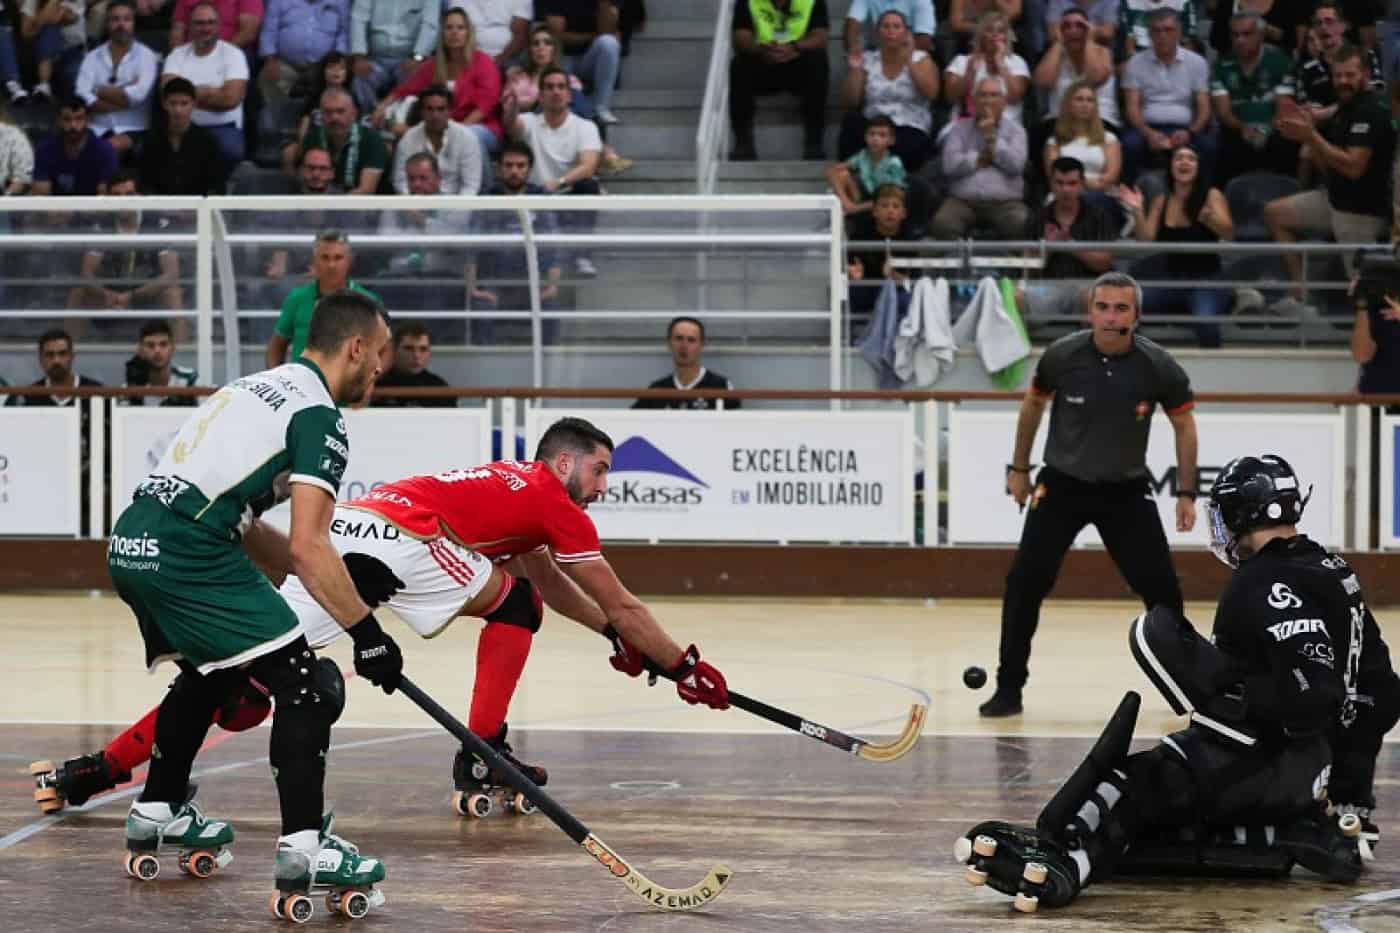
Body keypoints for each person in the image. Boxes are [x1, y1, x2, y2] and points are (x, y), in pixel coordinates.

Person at [32, 417, 731, 820]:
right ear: (567, 461)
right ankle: (483, 753)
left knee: (237, 673)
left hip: (355, 529)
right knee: (515, 603)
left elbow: (549, 578)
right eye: (601, 470)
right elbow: (618, 599)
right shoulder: (554, 497)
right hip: (411, 539)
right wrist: (682, 665)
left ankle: (99, 768)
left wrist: (617, 638)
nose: (603, 486)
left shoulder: (514, 483)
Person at [959, 453, 1398, 908]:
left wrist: (1231, 700)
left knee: (1141, 779)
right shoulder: (1334, 569)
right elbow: (1383, 692)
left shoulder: (1260, 582)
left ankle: (1067, 861)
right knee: (1178, 809)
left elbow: (1312, 696)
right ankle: (1288, 831)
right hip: (1310, 775)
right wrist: (1351, 798)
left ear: (1242, 513)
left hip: (1271, 762)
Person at [103, 289, 395, 909]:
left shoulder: (251, 387)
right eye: (382, 353)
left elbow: (257, 533)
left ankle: (157, 811)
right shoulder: (319, 415)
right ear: (357, 346)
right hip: (189, 550)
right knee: (310, 684)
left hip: (134, 538)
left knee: (215, 672)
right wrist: (368, 634)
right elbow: (310, 550)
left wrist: (308, 596)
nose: (381, 369)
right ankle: (304, 851)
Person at [980, 270, 1196, 717]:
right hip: (1060, 485)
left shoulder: (1158, 366)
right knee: (1024, 583)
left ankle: (1194, 690)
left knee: (1162, 592)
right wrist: (1018, 469)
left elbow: (1184, 423)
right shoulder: (1062, 356)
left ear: (1136, 315)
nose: (1111, 316)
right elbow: (1032, 406)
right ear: (1090, 311)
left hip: (1126, 490)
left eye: (1121, 308)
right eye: (1103, 307)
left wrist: (1187, 493)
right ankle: (1009, 688)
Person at [1268, 43, 1394, 296]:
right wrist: (1302, 126)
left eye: (1350, 75)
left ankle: (1369, 331)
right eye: (1338, 75)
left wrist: (1310, 136)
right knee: (1275, 213)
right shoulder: (1343, 105)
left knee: (1364, 292)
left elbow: (1354, 168)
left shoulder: (1371, 110)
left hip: (1361, 212)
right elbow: (1330, 151)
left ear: (1367, 76)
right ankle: (1301, 294)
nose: (1343, 81)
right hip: (1334, 198)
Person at [1120, 144, 1234, 348]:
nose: (1184, 162)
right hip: (1169, 279)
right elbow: (1146, 239)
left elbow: (1229, 233)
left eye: (1191, 158)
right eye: (1178, 158)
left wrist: (1210, 219)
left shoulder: (1211, 195)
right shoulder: (1161, 200)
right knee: (1126, 307)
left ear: (1198, 166)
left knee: (1206, 324)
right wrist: (1137, 211)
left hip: (1205, 280)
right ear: (1171, 166)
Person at [370, 6, 501, 179]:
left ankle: (485, 192)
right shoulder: (434, 64)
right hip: (440, 127)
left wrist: (454, 133)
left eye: (460, 28)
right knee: (406, 136)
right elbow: (404, 90)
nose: (454, 33)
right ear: (442, 33)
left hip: (480, 127)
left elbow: (486, 106)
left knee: (470, 137)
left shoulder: (483, 62)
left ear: (468, 33)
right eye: (449, 28)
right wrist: (382, 106)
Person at [501, 65, 603, 277]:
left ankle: (581, 256)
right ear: (541, 95)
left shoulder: (585, 126)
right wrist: (512, 106)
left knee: (589, 185)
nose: (555, 92)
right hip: (534, 194)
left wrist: (559, 182)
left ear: (569, 94)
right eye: (549, 87)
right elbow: (511, 126)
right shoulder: (529, 121)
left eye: (560, 87)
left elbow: (589, 165)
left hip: (567, 191)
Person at [468, 140, 564, 345]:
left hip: (533, 282)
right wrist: (473, 287)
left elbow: (554, 245)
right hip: (494, 279)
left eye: (520, 166)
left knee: (552, 309)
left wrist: (552, 285)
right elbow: (471, 246)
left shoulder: (542, 198)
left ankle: (550, 367)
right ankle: (486, 364)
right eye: (509, 166)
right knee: (481, 309)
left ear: (529, 169)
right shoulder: (486, 198)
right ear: (499, 168)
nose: (514, 171)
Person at [66, 171, 181, 334]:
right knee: (78, 293)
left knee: (172, 294)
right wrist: (105, 293)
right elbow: (87, 273)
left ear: (139, 196)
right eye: (117, 195)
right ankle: (65, 354)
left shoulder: (157, 223)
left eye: (129, 194)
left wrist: (134, 296)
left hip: (147, 294)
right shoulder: (101, 225)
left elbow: (171, 274)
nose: (123, 200)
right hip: (109, 295)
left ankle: (184, 357)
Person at [1119, 8, 1213, 184]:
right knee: (1129, 145)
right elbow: (1132, 107)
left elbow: (1205, 109)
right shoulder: (1135, 63)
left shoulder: (1197, 62)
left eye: (1168, 30)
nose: (1162, 35)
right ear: (1149, 34)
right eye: (1156, 30)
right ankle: (1128, 199)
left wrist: (1190, 132)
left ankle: (1204, 198)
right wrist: (1148, 133)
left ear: (1179, 32)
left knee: (1208, 147)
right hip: (1147, 128)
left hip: (1185, 128)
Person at [729, 0, 832, 161]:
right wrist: (762, 49)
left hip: (797, 62)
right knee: (739, 65)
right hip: (764, 60)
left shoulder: (813, 2)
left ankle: (814, 143)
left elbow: (820, 38)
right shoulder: (747, 2)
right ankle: (743, 144)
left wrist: (795, 47)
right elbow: (740, 38)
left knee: (818, 61)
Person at [929, 77, 1030, 241]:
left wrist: (992, 139)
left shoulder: (1017, 131)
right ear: (974, 101)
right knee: (942, 223)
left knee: (1021, 223)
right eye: (982, 95)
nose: (988, 101)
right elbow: (949, 166)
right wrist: (978, 158)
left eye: (994, 95)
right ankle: (957, 264)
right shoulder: (958, 129)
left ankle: (1009, 266)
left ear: (1004, 102)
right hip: (962, 200)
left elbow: (1016, 165)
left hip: (1006, 202)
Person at [1019, 156, 1118, 320]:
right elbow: (1028, 267)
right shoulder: (1037, 217)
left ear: (1082, 184)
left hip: (1087, 285)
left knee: (1091, 298)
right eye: (1059, 183)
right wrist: (1050, 247)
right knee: (1018, 299)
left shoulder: (1099, 216)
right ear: (1051, 184)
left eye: (1071, 183)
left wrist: (1070, 245)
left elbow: (1105, 262)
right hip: (1047, 287)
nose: (1065, 189)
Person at [838, 9, 935, 169]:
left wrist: (909, 61)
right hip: (874, 126)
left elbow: (931, 93)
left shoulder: (920, 59)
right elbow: (851, 101)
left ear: (906, 33)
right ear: (878, 33)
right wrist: (855, 70)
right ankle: (850, 176)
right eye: (886, 26)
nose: (891, 31)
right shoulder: (868, 59)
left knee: (911, 141)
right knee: (851, 123)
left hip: (909, 124)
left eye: (896, 27)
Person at [266, 230, 381, 366]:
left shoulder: (368, 300)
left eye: (338, 258)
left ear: (349, 261)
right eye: (325, 258)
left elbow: (386, 350)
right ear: (314, 261)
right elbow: (276, 346)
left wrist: (367, 380)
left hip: (348, 385)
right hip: (304, 383)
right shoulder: (297, 298)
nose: (331, 265)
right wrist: (280, 383)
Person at [1210, 11, 1298, 184]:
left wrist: (1266, 129)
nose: (1240, 40)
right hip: (1236, 128)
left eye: (1247, 34)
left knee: (1285, 143)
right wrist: (1244, 128)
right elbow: (1223, 113)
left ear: (1261, 35)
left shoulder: (1280, 61)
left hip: (1274, 128)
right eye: (1235, 35)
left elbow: (1283, 107)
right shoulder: (1222, 65)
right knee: (1224, 146)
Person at [160, 1, 250, 166]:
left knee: (228, 150)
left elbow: (231, 99)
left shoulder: (233, 54)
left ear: (218, 25)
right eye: (199, 23)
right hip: (182, 127)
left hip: (223, 128)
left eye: (211, 22)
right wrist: (211, 92)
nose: (206, 28)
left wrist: (187, 96)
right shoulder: (177, 55)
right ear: (190, 26)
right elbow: (168, 93)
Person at [1278, 3, 1384, 134]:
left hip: (1363, 126)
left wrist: (1328, 111)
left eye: (1329, 21)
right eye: (1318, 23)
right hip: (1324, 132)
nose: (1323, 27)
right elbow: (1311, 113)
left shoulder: (1364, 55)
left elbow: (1376, 93)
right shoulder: (1306, 67)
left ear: (1343, 26)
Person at [75, 0, 160, 158]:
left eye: (126, 19)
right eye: (115, 19)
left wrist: (98, 90)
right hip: (96, 126)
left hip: (133, 127)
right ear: (107, 24)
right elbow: (82, 95)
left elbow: (139, 95)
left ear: (134, 23)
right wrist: (125, 93)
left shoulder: (147, 56)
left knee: (106, 149)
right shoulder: (92, 57)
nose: (121, 25)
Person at [1033, 5, 1120, 160]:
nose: (1073, 30)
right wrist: (1058, 43)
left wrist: (1088, 41)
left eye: (1080, 26)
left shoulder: (1103, 52)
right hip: (1059, 120)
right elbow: (1043, 81)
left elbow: (1095, 79)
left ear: (1089, 29)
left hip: (1100, 120)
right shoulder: (1054, 54)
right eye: (1066, 26)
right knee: (1041, 136)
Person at [138, 77, 227, 196]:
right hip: (160, 209)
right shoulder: (151, 140)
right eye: (173, 103)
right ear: (164, 104)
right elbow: (145, 182)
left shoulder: (207, 141)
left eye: (184, 103)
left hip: (198, 209)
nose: (178, 110)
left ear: (194, 104)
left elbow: (216, 185)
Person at [347, 0, 439, 115]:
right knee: (360, 79)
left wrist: (417, 57)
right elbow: (358, 20)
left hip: (409, 59)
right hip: (375, 58)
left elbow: (430, 26)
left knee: (416, 77)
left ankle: (399, 120)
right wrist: (360, 56)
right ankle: (370, 118)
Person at [845, 182, 923, 315]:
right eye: (884, 206)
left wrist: (899, 278)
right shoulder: (860, 235)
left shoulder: (910, 238)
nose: (890, 211)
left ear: (903, 213)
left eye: (896, 206)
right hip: (868, 288)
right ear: (875, 211)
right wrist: (852, 274)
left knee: (908, 300)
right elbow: (849, 266)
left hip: (897, 290)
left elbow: (916, 279)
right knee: (853, 293)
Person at [539, 0, 623, 124]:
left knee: (609, 42)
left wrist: (603, 4)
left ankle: (601, 107)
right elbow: (558, 34)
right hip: (562, 55)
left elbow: (608, 32)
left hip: (592, 56)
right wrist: (592, 37)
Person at [390, 83, 482, 195]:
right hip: (417, 203)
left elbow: (471, 186)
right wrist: (412, 206)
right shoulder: (408, 139)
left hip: (456, 204)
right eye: (429, 109)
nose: (435, 115)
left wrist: (456, 210)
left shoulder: (467, 138)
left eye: (441, 109)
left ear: (450, 111)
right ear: (421, 112)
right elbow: (401, 181)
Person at [633, 317, 739, 410]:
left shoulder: (721, 386)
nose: (684, 346)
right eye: (679, 338)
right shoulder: (656, 390)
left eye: (691, 340)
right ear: (669, 343)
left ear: (702, 345)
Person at [257, 0, 349, 107]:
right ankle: (279, 119)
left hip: (323, 66)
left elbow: (344, 33)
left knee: (335, 76)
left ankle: (315, 117)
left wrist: (336, 61)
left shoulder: (341, 2)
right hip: (285, 63)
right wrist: (270, 60)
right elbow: (269, 31)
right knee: (268, 77)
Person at [945, 11, 1031, 124]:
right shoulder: (962, 61)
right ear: (981, 35)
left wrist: (1001, 64)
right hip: (966, 125)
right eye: (989, 30)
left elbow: (1015, 97)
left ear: (1007, 37)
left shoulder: (1017, 62)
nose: (995, 34)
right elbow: (951, 96)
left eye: (1000, 31)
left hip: (1006, 126)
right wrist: (970, 72)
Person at [299, 87, 388, 194]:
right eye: (328, 112)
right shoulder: (313, 137)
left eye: (340, 111)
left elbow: (366, 190)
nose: (334, 117)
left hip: (366, 207)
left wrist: (334, 208)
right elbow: (306, 181)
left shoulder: (372, 139)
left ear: (354, 114)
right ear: (321, 115)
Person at [1043, 79, 1121, 200]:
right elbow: (1054, 178)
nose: (1085, 104)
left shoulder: (1109, 139)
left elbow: (1110, 178)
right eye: (1079, 99)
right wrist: (1091, 181)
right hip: (1065, 194)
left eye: (1090, 100)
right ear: (1068, 104)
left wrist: (1076, 181)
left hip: (1101, 195)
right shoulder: (1054, 142)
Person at [31, 97, 118, 196]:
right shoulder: (45, 149)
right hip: (56, 209)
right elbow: (41, 196)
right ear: (58, 120)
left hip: (92, 209)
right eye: (67, 119)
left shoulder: (104, 150)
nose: (73, 125)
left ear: (88, 120)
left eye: (79, 119)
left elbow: (104, 197)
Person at [827, 113, 906, 215]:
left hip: (886, 203)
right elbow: (831, 171)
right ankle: (845, 208)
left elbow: (895, 196)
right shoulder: (863, 155)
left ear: (891, 140)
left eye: (882, 135)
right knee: (842, 174)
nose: (875, 139)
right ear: (865, 137)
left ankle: (853, 211)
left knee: (889, 200)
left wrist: (856, 208)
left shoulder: (894, 163)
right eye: (872, 134)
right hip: (863, 197)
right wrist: (846, 202)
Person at [370, 321, 452, 407]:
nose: (416, 355)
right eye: (408, 348)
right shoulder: (376, 382)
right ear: (394, 350)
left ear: (429, 352)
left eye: (423, 349)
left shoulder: (439, 387)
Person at [121, 318, 199, 407]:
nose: (157, 351)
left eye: (163, 344)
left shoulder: (190, 380)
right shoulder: (130, 388)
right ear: (140, 350)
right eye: (150, 345)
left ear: (173, 348)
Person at [20, 0, 86, 100]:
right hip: (42, 56)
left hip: (72, 52)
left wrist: (38, 22)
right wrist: (51, 3)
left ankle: (46, 86)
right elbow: (26, 33)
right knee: (49, 31)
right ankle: (44, 84)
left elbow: (61, 18)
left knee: (76, 86)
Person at [450, 0, 530, 66]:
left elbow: (520, 36)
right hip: (468, 56)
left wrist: (497, 62)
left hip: (508, 58)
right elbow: (454, 30)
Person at [843, 0, 936, 54]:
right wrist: (853, 48)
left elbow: (924, 39)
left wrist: (895, 59)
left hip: (911, 50)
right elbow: (852, 24)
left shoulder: (921, 1)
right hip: (877, 50)